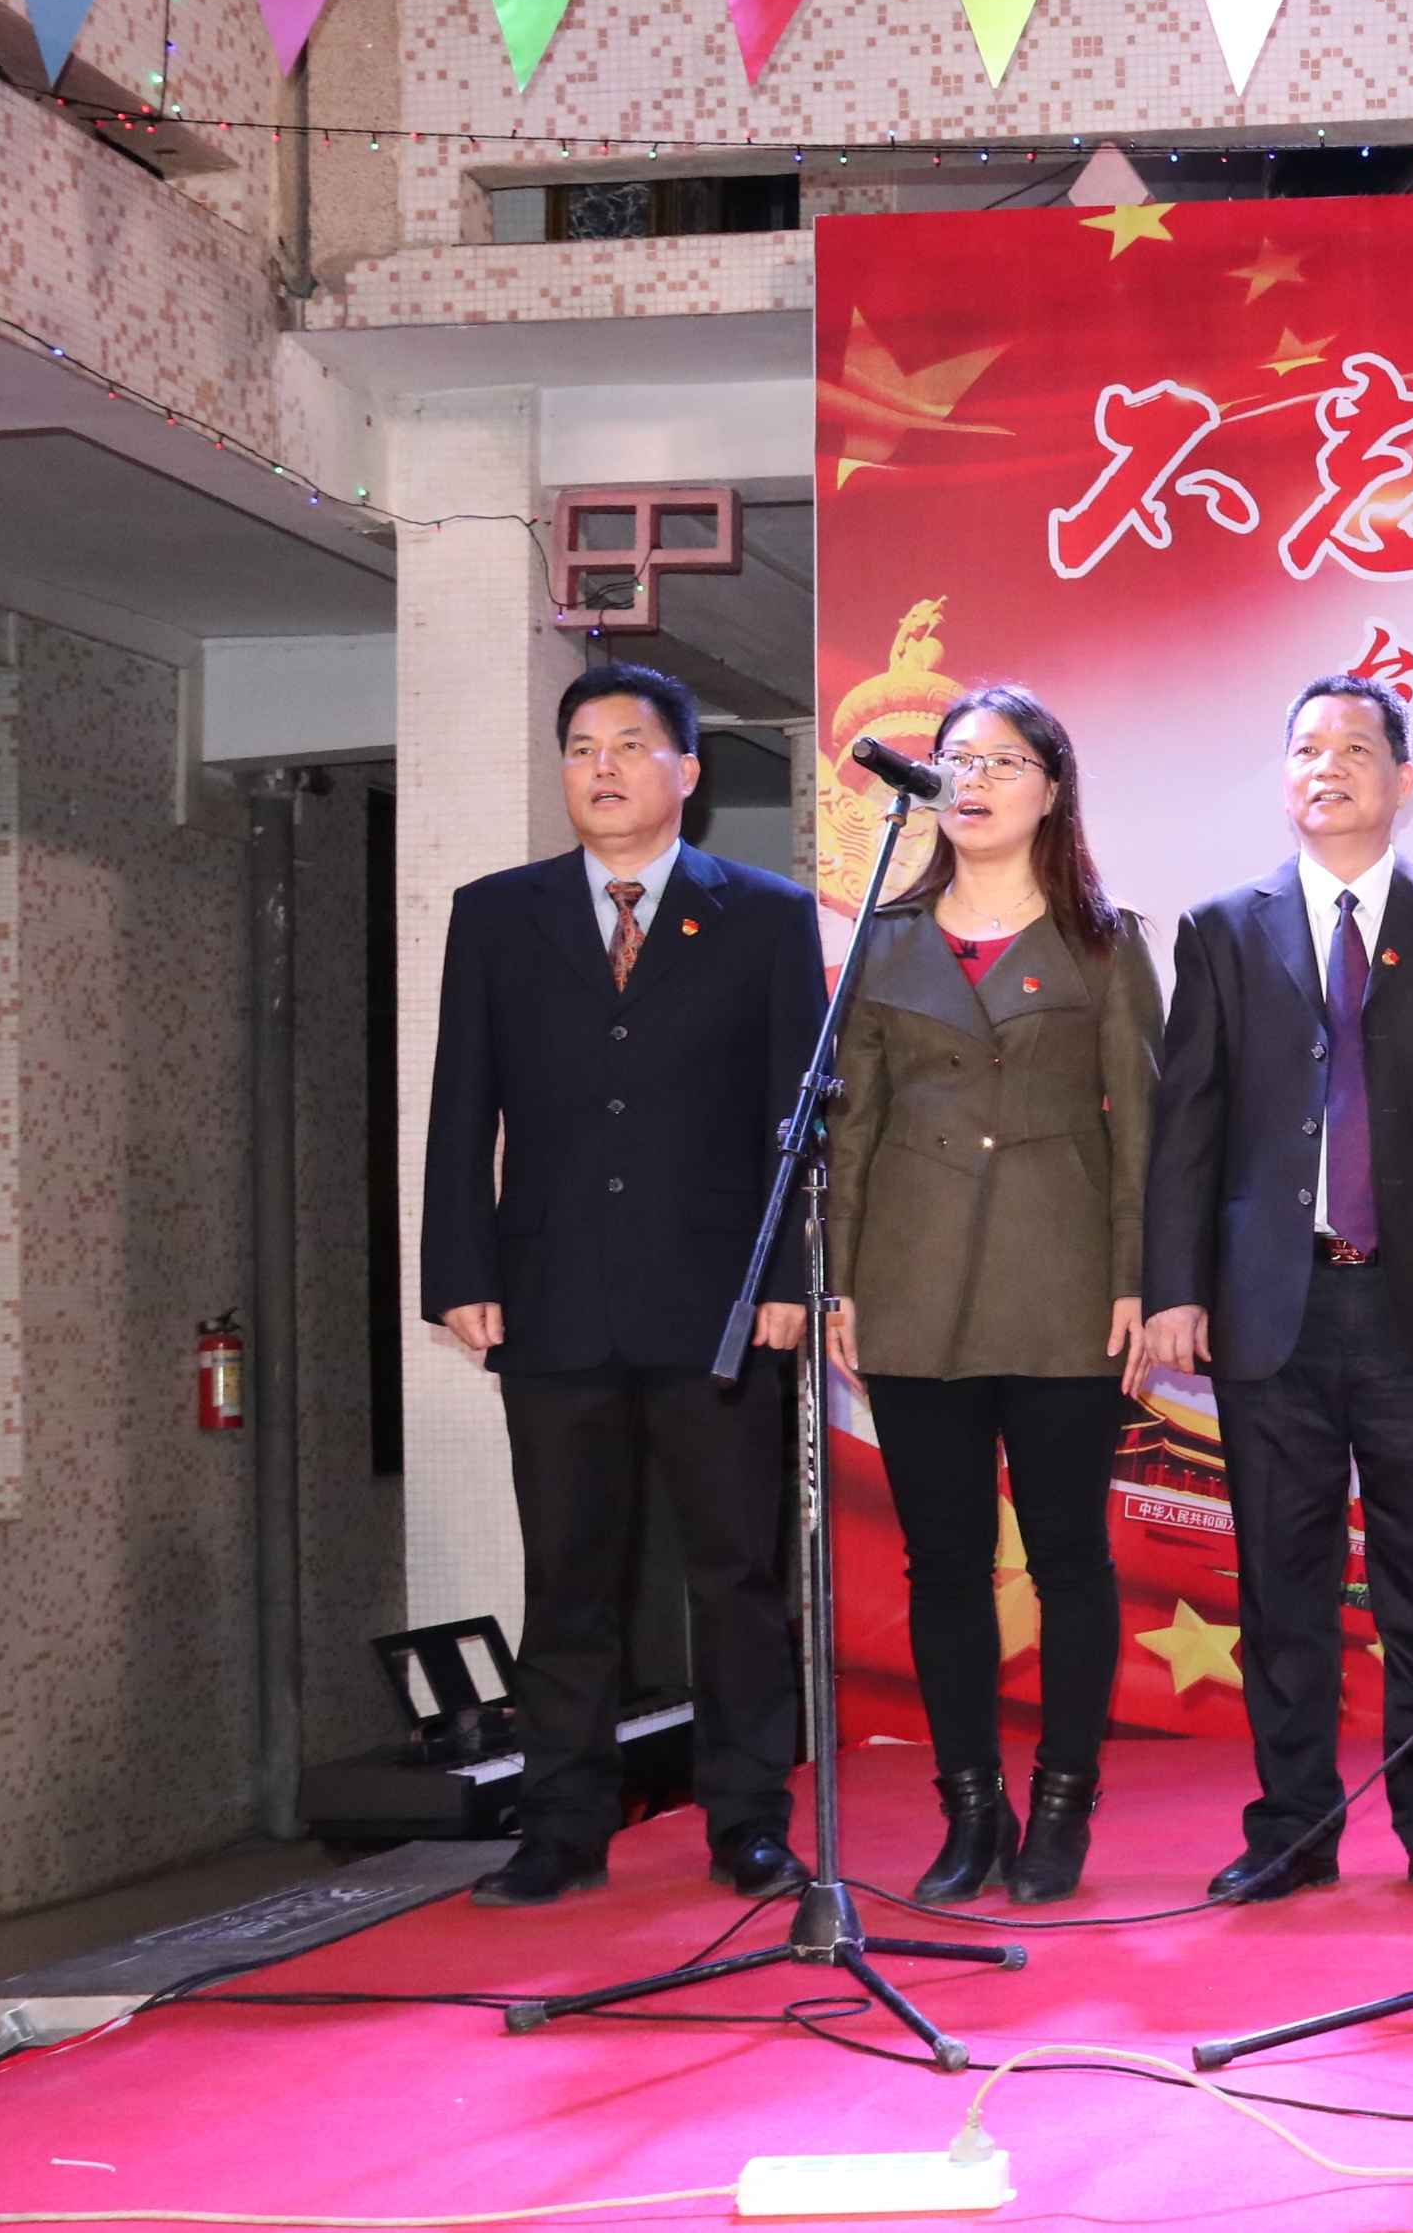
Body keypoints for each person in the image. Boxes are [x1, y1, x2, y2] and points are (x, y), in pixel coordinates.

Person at [424, 663, 823, 1909]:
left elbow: (796, 1118)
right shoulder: (498, 914)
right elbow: (460, 1105)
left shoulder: (766, 915)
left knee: (735, 1575)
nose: (602, 766)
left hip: (720, 1298)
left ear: (686, 771)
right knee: (568, 1576)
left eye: (629, 744)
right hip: (550, 1293)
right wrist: (459, 1268)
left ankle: (749, 1819)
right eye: (582, 747)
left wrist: (792, 1275)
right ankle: (561, 1824)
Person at [1142, 674, 1413, 1903]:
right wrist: (1175, 1286)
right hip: (1270, 1309)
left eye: (1355, 748)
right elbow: (1188, 1124)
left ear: (1405, 780)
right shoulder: (1222, 929)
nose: (1327, 766)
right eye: (1306, 748)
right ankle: (1292, 1826)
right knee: (1281, 1585)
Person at [822, 685, 1163, 1906]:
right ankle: (971, 1807)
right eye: (957, 761)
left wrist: (1137, 1279)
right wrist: (839, 1282)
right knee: (945, 1565)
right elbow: (849, 1129)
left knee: (1069, 1556)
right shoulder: (887, 939)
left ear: (1052, 790)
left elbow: (1145, 1128)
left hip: (1064, 1280)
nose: (972, 781)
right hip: (911, 1283)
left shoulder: (1104, 941)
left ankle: (1063, 1804)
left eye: (1004, 762)